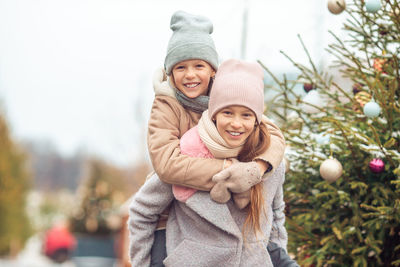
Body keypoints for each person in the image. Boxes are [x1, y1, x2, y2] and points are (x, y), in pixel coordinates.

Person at [142, 10, 286, 266]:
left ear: (212, 70)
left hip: (227, 221)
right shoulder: (166, 104)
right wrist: (229, 170)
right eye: (180, 67)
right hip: (173, 214)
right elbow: (167, 165)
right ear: (170, 72)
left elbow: (271, 133)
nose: (190, 75)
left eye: (199, 65)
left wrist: (257, 168)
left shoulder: (228, 98)